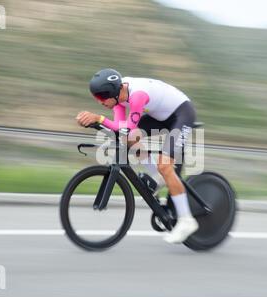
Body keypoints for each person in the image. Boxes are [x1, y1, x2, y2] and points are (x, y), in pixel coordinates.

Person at [76, 68, 198, 244]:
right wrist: (96, 122)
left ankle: (187, 220)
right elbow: (119, 126)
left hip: (181, 114)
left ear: (112, 92)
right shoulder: (118, 94)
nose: (100, 102)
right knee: (129, 139)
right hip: (160, 115)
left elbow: (126, 127)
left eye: (102, 98)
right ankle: (156, 180)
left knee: (165, 166)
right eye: (96, 98)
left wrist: (99, 119)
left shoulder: (137, 95)